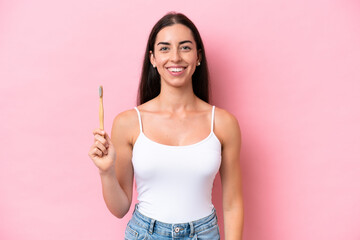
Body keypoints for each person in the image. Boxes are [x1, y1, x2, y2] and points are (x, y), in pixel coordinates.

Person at [88, 12, 243, 240]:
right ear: (153, 58)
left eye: (185, 47)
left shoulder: (223, 123)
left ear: (198, 56)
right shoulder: (128, 123)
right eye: (164, 48)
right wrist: (106, 171)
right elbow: (120, 208)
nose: (175, 57)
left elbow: (232, 204)